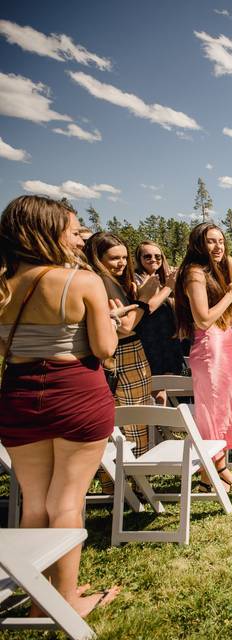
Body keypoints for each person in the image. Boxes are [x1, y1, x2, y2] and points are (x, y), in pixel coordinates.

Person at [0, 195, 125, 618]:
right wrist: (111, 321)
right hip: (76, 392)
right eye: (72, 231)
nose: (78, 239)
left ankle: (39, 598)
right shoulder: (82, 282)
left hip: (18, 395)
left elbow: (5, 346)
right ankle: (66, 601)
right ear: (47, 233)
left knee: (34, 503)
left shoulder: (2, 283)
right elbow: (106, 349)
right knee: (67, 501)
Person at [174, 222, 232, 491]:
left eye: (221, 240)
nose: (218, 246)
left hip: (225, 344)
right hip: (209, 350)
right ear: (198, 244)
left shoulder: (214, 272)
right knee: (212, 412)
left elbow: (231, 321)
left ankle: (214, 473)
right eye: (211, 241)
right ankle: (210, 474)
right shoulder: (194, 274)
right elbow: (203, 319)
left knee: (224, 409)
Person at [84, 233, 156, 458]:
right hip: (125, 352)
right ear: (97, 257)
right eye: (114, 258)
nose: (122, 263)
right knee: (135, 417)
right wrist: (143, 299)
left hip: (110, 354)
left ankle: (113, 480)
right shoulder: (103, 281)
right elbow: (126, 326)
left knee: (113, 421)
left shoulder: (105, 280)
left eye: (124, 257)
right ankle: (139, 476)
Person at [133, 241, 184, 390]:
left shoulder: (163, 278)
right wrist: (169, 286)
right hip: (150, 340)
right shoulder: (136, 280)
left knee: (170, 386)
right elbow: (149, 307)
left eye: (158, 256)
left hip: (168, 339)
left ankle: (171, 412)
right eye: (147, 256)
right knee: (156, 387)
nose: (153, 259)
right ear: (139, 259)